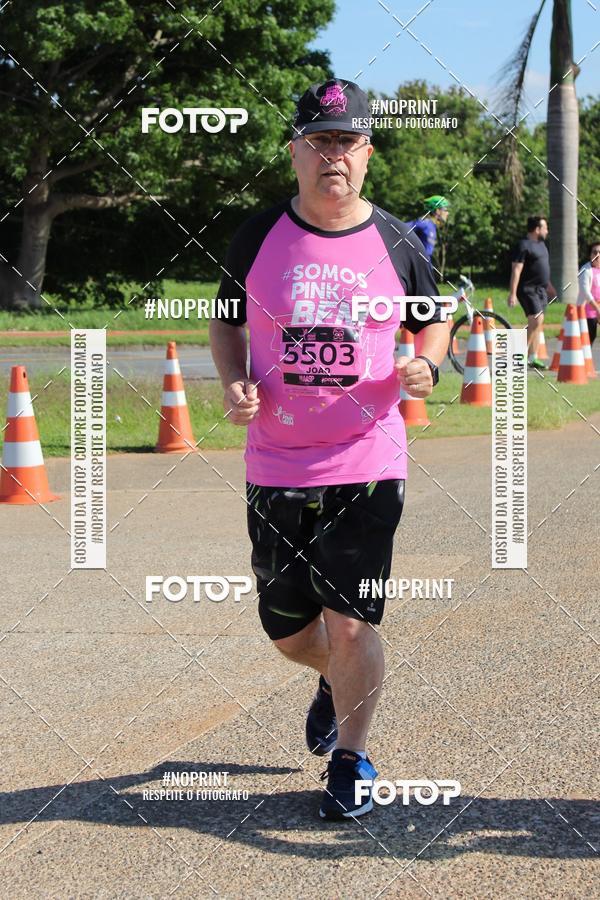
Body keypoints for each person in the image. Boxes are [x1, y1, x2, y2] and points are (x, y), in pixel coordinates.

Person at [209, 78, 448, 821]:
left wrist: (427, 364)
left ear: (368, 153)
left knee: (349, 622)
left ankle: (350, 757)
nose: (332, 155)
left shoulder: (399, 241)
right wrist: (234, 378)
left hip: (366, 457)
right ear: (295, 153)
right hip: (276, 458)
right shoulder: (255, 235)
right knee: (287, 630)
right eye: (318, 141)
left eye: (346, 141)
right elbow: (225, 325)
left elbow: (435, 321)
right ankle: (330, 679)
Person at [507, 216, 557, 369]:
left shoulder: (542, 245)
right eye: (545, 228)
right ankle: (519, 355)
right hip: (527, 289)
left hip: (541, 290)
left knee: (538, 322)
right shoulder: (523, 245)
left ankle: (533, 357)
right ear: (537, 229)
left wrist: (549, 286)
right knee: (536, 319)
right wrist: (512, 293)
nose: (547, 231)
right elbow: (516, 269)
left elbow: (542, 269)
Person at [405, 195, 450, 265]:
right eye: (445, 210)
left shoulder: (433, 227)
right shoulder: (425, 224)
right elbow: (400, 228)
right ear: (438, 211)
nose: (447, 213)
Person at [577, 240, 600, 345]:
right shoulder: (585, 270)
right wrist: (597, 308)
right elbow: (585, 291)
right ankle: (583, 360)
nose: (598, 255)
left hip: (598, 309)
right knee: (589, 338)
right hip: (587, 311)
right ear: (590, 255)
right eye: (595, 252)